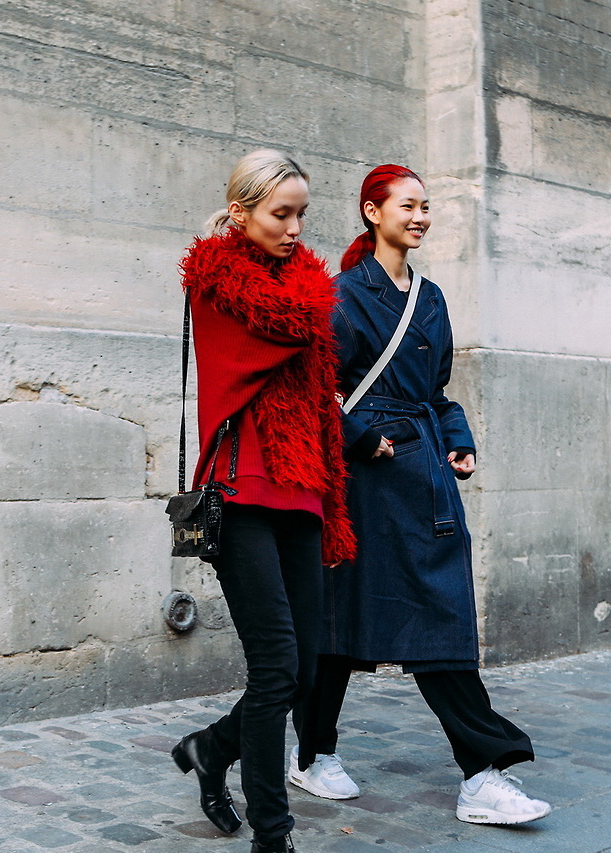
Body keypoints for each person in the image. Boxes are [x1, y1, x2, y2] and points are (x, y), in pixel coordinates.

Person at [290, 165, 551, 826]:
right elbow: (316, 387)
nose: (421, 216)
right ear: (372, 212)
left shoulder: (429, 297)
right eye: (408, 205)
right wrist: (358, 436)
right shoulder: (343, 294)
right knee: (340, 622)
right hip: (363, 483)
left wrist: (457, 437)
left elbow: (435, 392)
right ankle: (312, 752)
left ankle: (481, 773)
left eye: (426, 206)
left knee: (438, 615)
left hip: (425, 474)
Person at [170, 150, 357, 853]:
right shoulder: (217, 284)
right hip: (241, 492)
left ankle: (212, 749)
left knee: (303, 671)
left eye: (303, 213)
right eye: (281, 213)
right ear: (240, 211)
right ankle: (273, 836)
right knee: (277, 665)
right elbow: (290, 325)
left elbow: (318, 396)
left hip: (300, 491)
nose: (296, 228)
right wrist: (314, 291)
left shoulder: (299, 285)